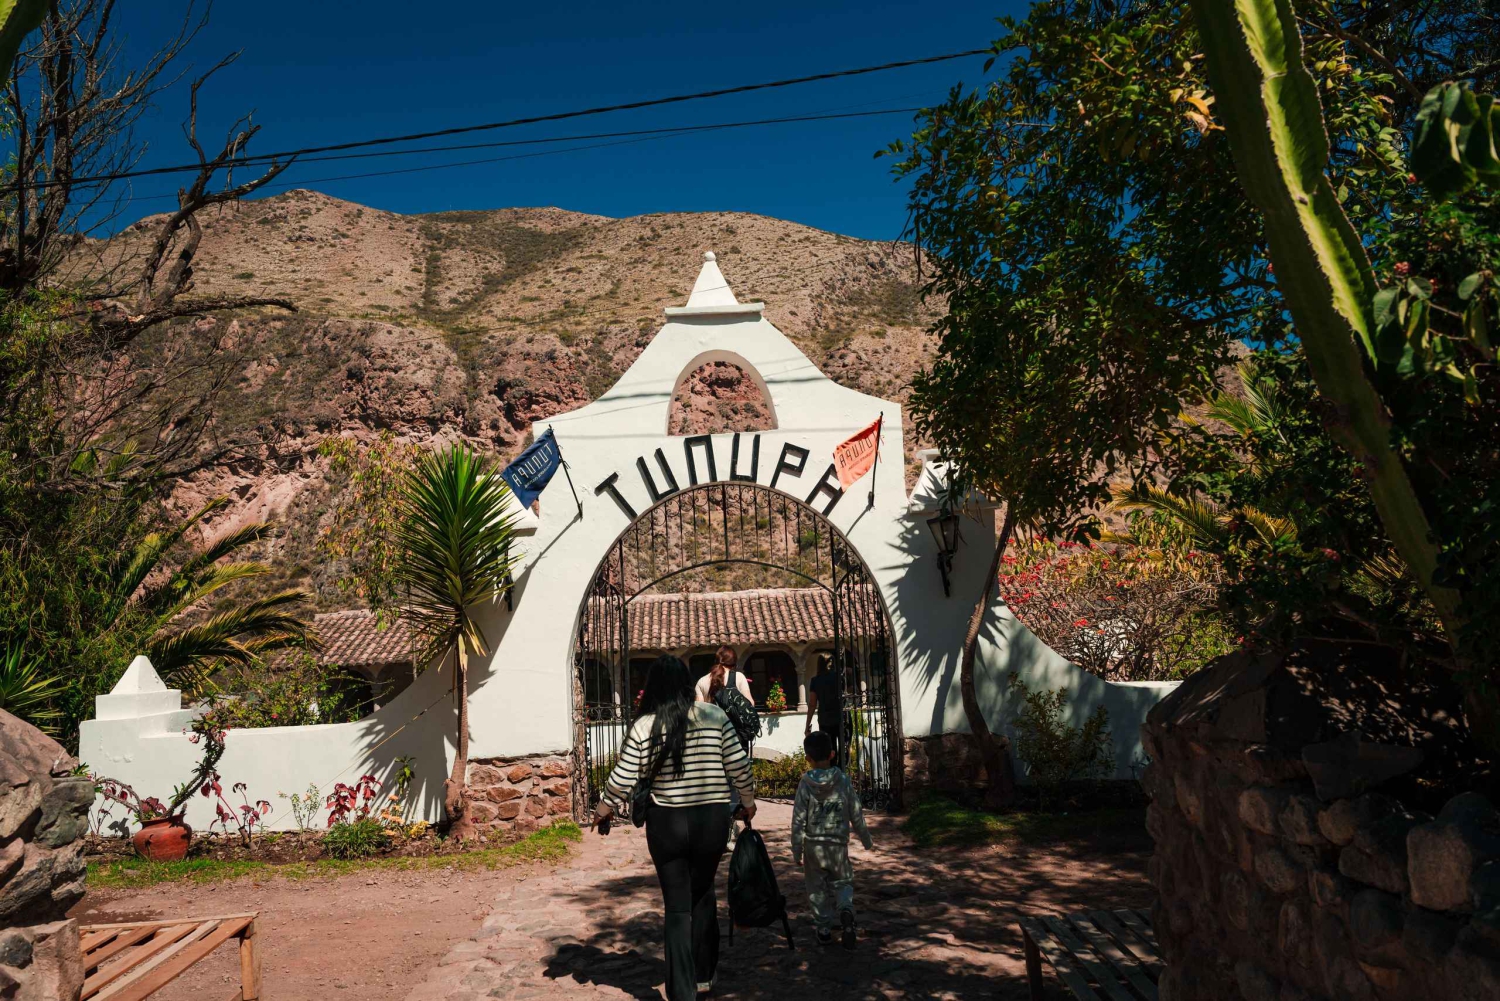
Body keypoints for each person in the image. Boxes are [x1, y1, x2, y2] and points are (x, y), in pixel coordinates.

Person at [595, 654, 755, 1000]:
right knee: (703, 892)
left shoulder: (645, 725)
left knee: (678, 905)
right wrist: (749, 802)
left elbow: (623, 777)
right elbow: (739, 765)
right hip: (711, 820)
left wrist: (602, 809)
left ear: (653, 686)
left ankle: (682, 991)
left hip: (666, 823)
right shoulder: (714, 716)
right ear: (685, 683)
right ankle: (704, 976)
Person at [791, 729, 873, 950]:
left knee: (816, 888)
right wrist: (866, 839)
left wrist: (796, 849)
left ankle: (824, 929)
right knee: (843, 882)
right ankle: (845, 908)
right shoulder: (843, 781)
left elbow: (798, 818)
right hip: (837, 845)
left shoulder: (805, 784)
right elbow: (856, 811)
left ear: (808, 758)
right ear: (833, 754)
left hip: (813, 846)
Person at [804, 655, 842, 763]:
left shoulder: (816, 681)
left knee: (829, 748)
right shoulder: (838, 677)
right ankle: (842, 773)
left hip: (825, 718)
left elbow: (812, 704)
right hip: (839, 716)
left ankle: (831, 772)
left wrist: (807, 725)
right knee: (844, 747)